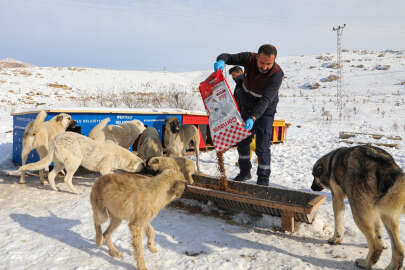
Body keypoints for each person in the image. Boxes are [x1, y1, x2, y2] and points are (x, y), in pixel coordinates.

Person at [213, 44, 284, 186]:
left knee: (262, 146)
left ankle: (263, 179)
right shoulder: (249, 58)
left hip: (265, 110)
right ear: (257, 57)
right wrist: (221, 60)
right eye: (262, 63)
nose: (264, 67)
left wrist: (253, 117)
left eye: (268, 64)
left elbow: (266, 100)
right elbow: (228, 57)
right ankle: (244, 172)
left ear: (274, 61)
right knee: (243, 140)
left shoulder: (277, 74)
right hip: (246, 105)